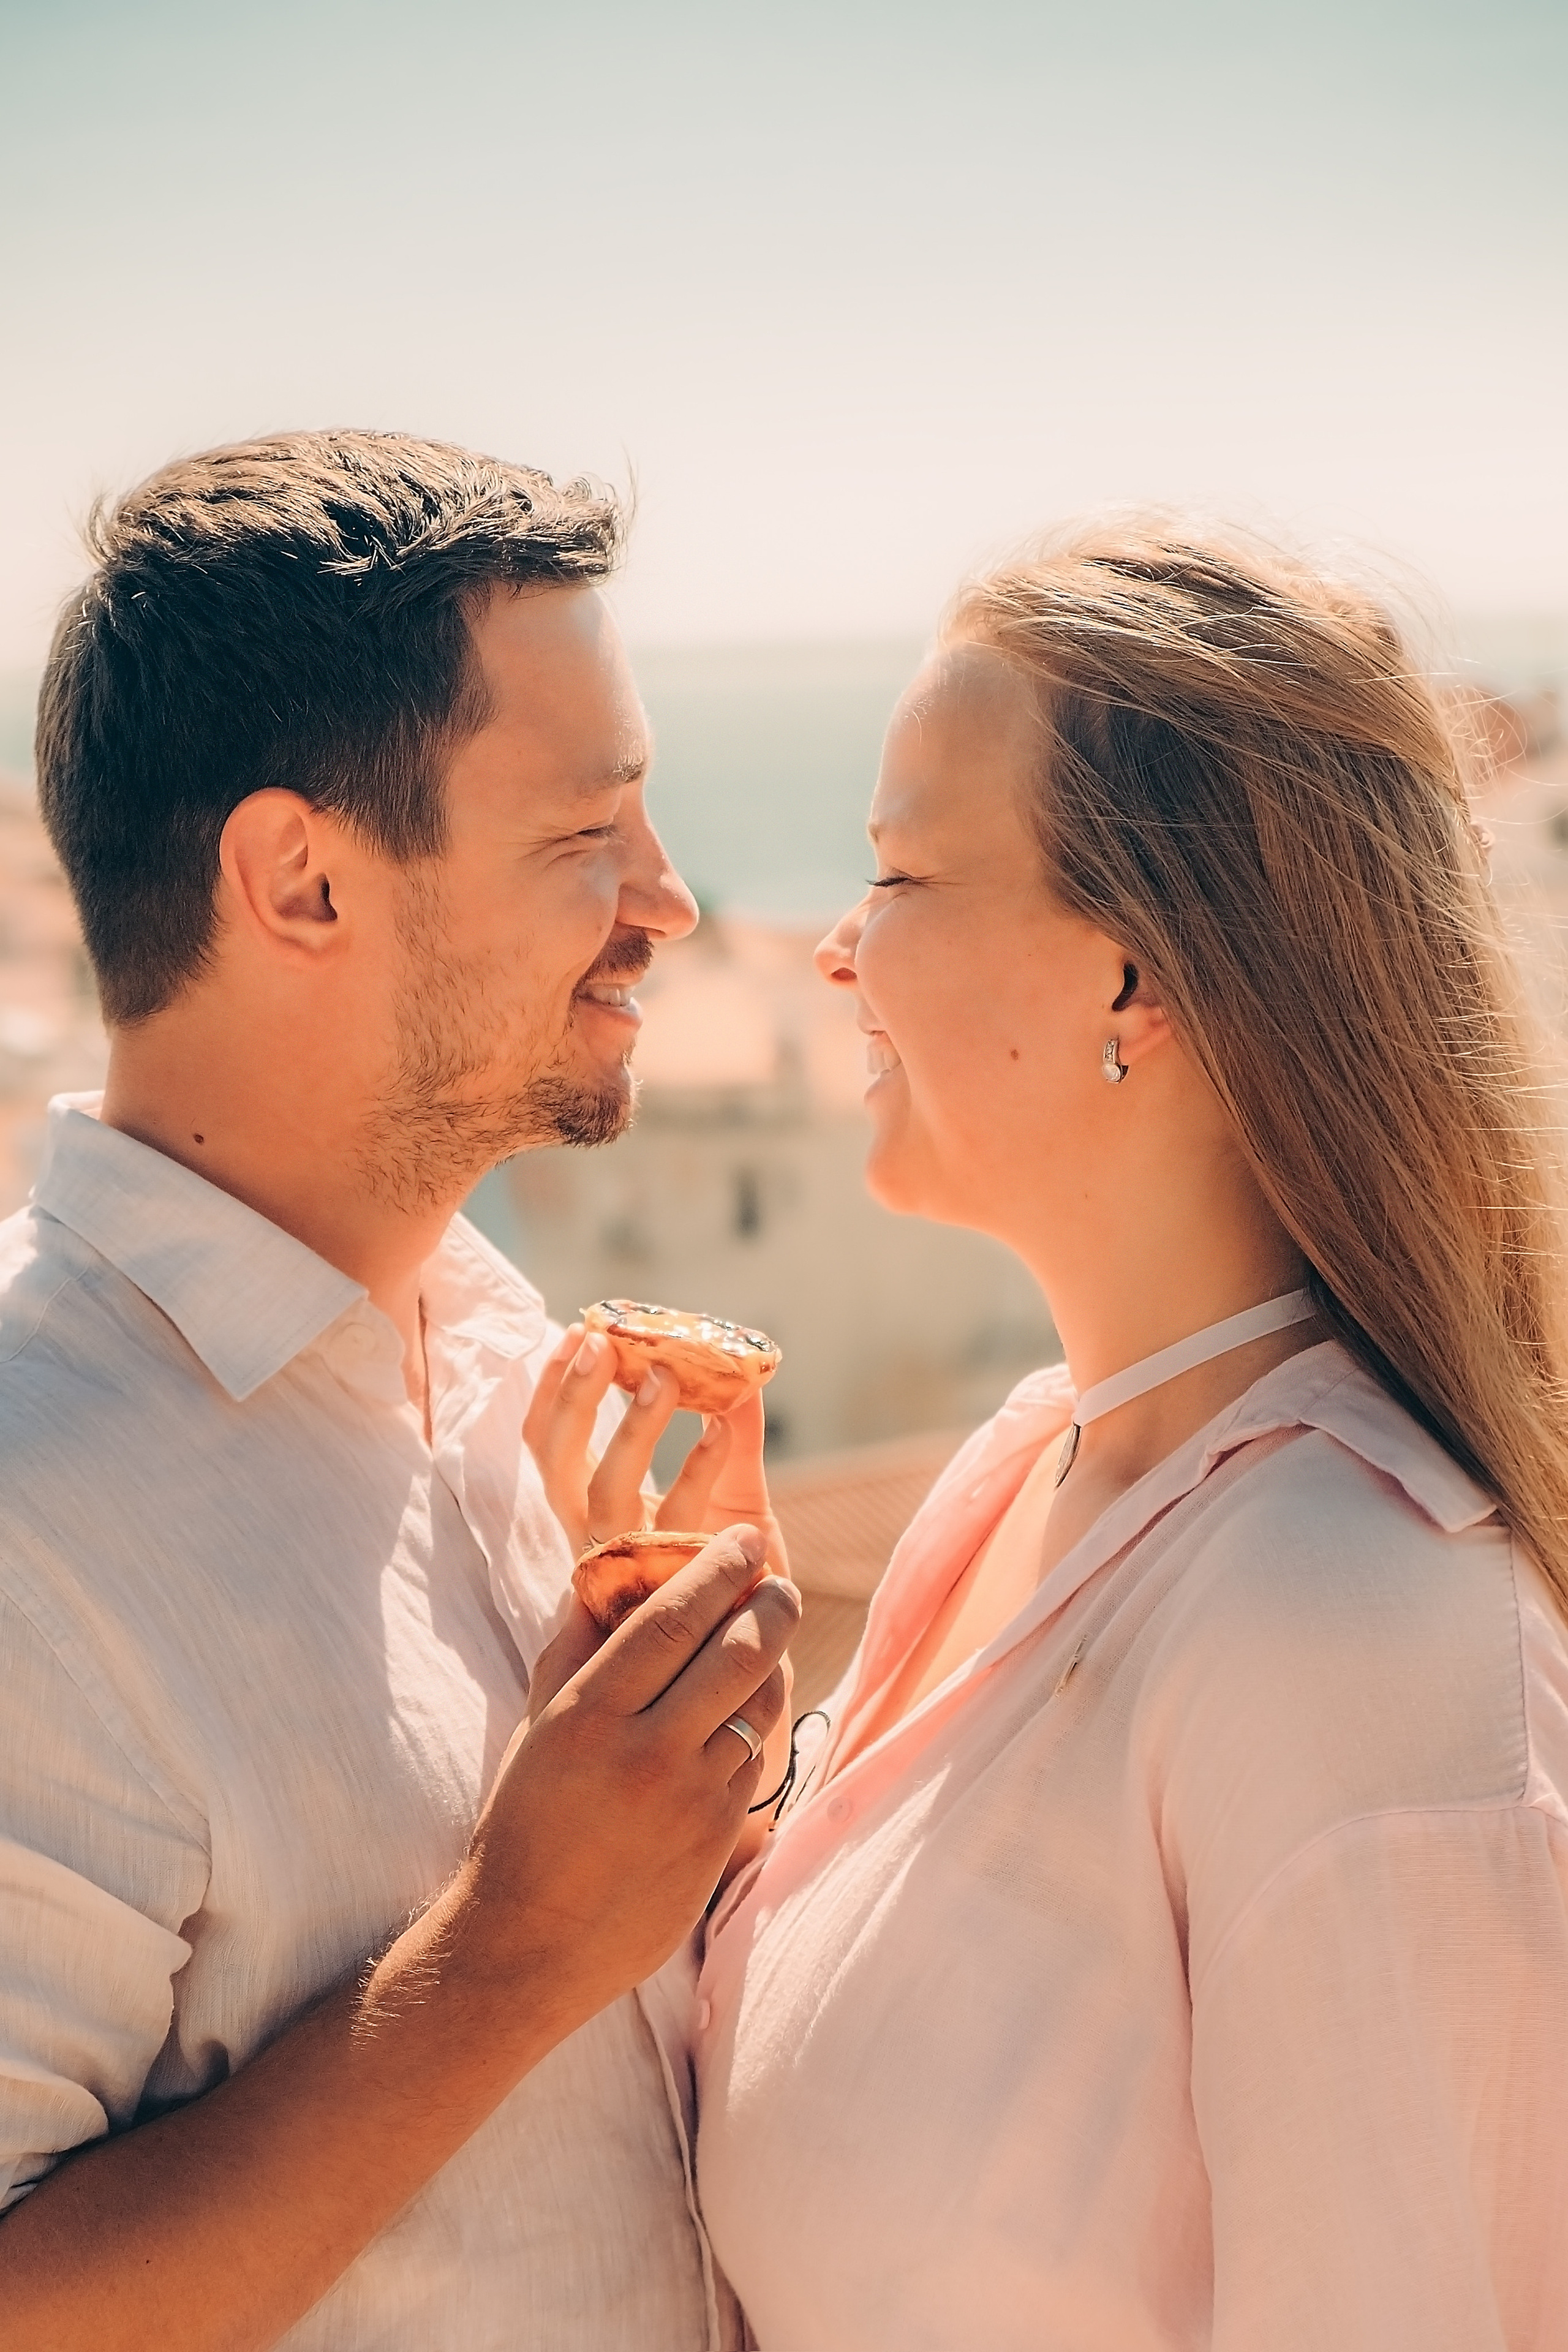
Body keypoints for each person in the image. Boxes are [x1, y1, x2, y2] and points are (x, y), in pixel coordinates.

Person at [692, 522, 1568, 2348]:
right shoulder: (1027, 1471)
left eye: (904, 872)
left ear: (1134, 979)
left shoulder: (1351, 1635)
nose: (843, 954)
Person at [0, 430, 799, 2352]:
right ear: (302, 882)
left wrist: (730, 1807)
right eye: (584, 831)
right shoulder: (32, 1504)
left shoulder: (518, 1373)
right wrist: (513, 1953)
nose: (668, 901)